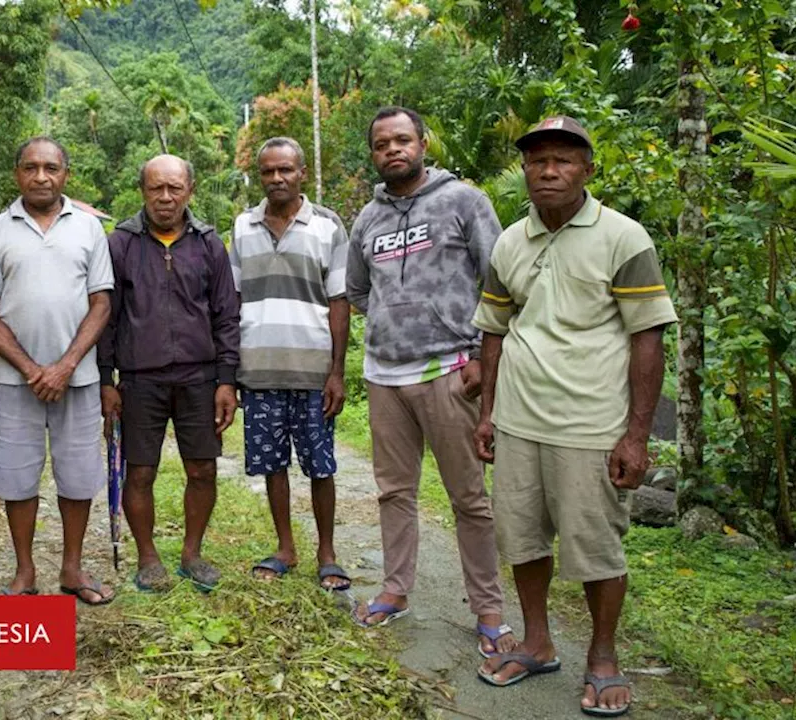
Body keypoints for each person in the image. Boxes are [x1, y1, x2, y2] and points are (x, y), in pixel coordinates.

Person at [473, 116, 675, 717]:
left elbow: (648, 338)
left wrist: (636, 435)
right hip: (518, 421)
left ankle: (604, 658)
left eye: (563, 159)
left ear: (588, 169)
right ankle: (537, 642)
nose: (548, 170)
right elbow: (494, 332)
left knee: (596, 549)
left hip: (591, 425)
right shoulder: (510, 241)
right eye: (538, 161)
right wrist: (487, 414)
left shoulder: (623, 238)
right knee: (523, 539)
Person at [346, 106, 516, 657]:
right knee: (394, 492)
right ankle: (395, 589)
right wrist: (393, 323)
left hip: (451, 371)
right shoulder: (366, 220)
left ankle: (488, 607)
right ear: (373, 153)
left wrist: (478, 355)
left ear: (422, 143)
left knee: (469, 496)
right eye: (381, 144)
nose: (392, 150)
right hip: (384, 376)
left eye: (402, 140)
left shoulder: (463, 200)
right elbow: (358, 292)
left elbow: (498, 280)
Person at [0, 137, 116, 605]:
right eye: (31, 167)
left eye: (50, 167)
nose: (41, 176)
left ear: (65, 174)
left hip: (78, 378)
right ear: (17, 174)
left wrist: (65, 365)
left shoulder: (89, 230)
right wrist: (34, 369)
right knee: (17, 478)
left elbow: (101, 303)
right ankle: (25, 571)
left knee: (77, 477)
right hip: (18, 382)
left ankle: (72, 568)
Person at [97, 154, 240, 593]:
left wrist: (226, 379)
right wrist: (106, 380)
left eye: (174, 188)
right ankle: (147, 557)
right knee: (140, 472)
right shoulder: (120, 243)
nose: (165, 197)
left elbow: (226, 315)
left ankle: (192, 554)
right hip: (140, 379)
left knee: (202, 470)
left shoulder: (209, 243)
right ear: (143, 190)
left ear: (189, 191)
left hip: (199, 379)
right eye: (156, 188)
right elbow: (106, 316)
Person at [231, 137, 351, 591]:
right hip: (259, 372)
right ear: (260, 176)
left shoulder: (327, 225)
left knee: (321, 465)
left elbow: (339, 301)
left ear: (302, 173)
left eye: (285, 170)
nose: (276, 179)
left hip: (314, 373)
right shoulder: (242, 226)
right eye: (268, 172)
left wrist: (337, 372)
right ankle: (285, 547)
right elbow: (234, 299)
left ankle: (327, 552)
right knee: (272, 464)